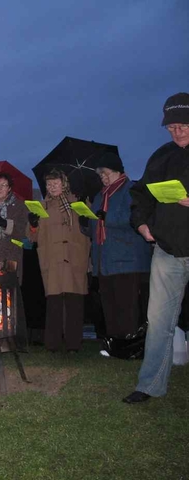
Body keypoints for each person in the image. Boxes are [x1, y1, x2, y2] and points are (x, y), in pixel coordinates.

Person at [123, 92, 189, 404]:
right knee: (159, 322)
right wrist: (141, 224)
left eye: (183, 125)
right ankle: (149, 385)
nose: (177, 132)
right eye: (171, 127)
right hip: (167, 250)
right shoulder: (161, 156)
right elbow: (141, 194)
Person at [87, 152, 152, 339]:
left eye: (107, 173)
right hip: (105, 261)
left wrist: (108, 218)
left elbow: (136, 218)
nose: (104, 178)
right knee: (110, 306)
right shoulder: (100, 196)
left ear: (119, 172)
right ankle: (115, 343)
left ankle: (130, 343)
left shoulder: (131, 190)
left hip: (127, 259)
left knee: (127, 306)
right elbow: (95, 227)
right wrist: (87, 222)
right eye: (101, 175)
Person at [27, 169, 90, 353]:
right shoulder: (41, 206)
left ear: (65, 184)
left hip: (74, 257)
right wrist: (32, 224)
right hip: (52, 259)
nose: (52, 186)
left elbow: (91, 228)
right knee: (53, 303)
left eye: (56, 182)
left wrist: (87, 222)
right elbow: (31, 237)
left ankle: (73, 344)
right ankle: (52, 344)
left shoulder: (79, 202)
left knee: (74, 302)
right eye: (49, 183)